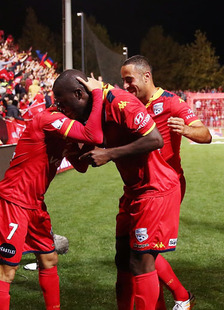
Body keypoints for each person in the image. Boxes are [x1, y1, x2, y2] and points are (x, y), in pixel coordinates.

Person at [0, 70, 104, 310]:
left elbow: (81, 166)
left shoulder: (65, 127)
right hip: (13, 201)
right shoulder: (49, 119)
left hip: (34, 203)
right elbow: (94, 133)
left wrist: (91, 148)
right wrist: (97, 93)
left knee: (49, 258)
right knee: (7, 270)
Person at [77, 81, 182, 310]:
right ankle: (180, 297)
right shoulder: (94, 112)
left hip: (155, 190)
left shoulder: (119, 100)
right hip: (133, 192)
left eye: (63, 101)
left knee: (141, 263)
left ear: (78, 94)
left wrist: (110, 154)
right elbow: (84, 162)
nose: (60, 106)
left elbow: (156, 140)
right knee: (123, 258)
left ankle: (182, 296)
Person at [120, 55, 212, 310]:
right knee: (142, 250)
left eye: (129, 80)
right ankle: (179, 297)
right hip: (139, 187)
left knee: (144, 251)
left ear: (146, 76)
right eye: (123, 82)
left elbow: (205, 134)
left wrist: (186, 130)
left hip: (164, 187)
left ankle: (181, 296)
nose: (126, 87)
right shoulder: (131, 104)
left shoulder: (172, 103)